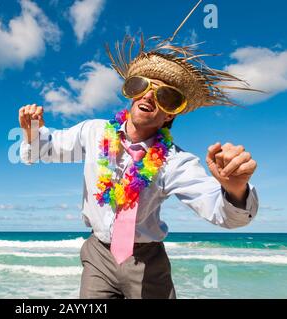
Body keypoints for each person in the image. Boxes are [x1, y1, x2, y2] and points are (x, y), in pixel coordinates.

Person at [18, 1, 259, 299]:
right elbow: (46, 149)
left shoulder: (175, 161)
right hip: (97, 255)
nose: (150, 96)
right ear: (132, 93)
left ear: (171, 114)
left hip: (147, 262)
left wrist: (235, 189)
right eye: (142, 85)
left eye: (166, 95)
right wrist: (32, 131)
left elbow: (222, 212)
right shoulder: (93, 132)